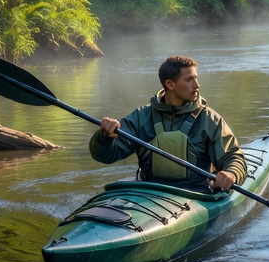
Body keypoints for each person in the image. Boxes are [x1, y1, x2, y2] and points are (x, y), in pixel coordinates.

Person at [91, 56, 247, 192]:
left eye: (196, 78)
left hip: (197, 194)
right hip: (150, 191)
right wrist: (105, 138)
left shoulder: (209, 119)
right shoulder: (141, 117)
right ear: (170, 85)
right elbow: (105, 156)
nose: (197, 85)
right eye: (189, 79)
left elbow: (233, 157)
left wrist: (231, 174)